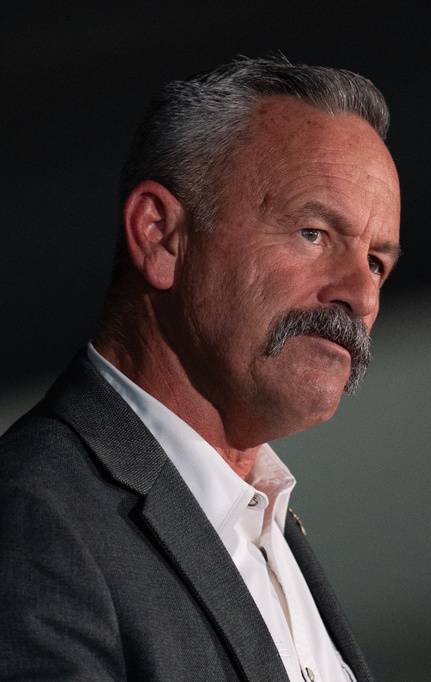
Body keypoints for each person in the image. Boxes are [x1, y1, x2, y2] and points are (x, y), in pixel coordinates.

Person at [0, 55, 401, 682]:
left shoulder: (269, 528)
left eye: (377, 262)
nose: (363, 294)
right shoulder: (34, 518)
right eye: (314, 233)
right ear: (161, 236)